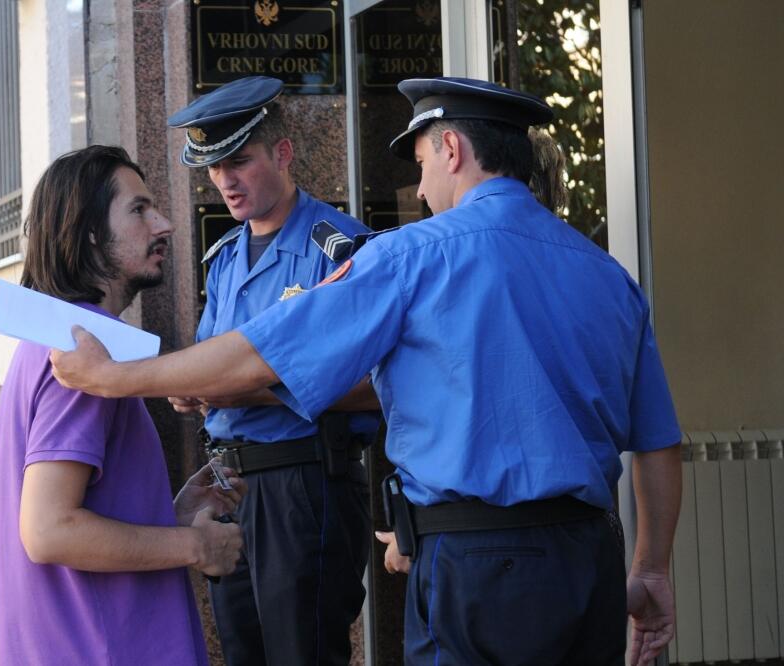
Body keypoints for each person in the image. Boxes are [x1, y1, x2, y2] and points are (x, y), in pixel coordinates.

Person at [50, 77, 683, 666]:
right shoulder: (609, 275)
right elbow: (657, 444)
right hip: (589, 560)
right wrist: (651, 569)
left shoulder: (413, 254)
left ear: (452, 149)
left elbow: (258, 354)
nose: (422, 187)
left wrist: (114, 378)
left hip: (473, 565)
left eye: (421, 163)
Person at [0, 144, 244, 666]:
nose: (164, 224)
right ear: (89, 232)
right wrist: (196, 546)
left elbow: (77, 514)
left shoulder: (56, 338)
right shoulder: (84, 354)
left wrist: (170, 514)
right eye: (138, 209)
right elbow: (49, 530)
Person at [166, 75, 378, 665]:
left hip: (302, 481)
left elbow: (376, 382)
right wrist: (192, 390)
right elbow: (211, 364)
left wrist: (245, 390)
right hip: (230, 483)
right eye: (214, 168)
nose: (224, 181)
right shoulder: (224, 259)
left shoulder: (339, 248)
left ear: (283, 153)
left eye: (239, 161)